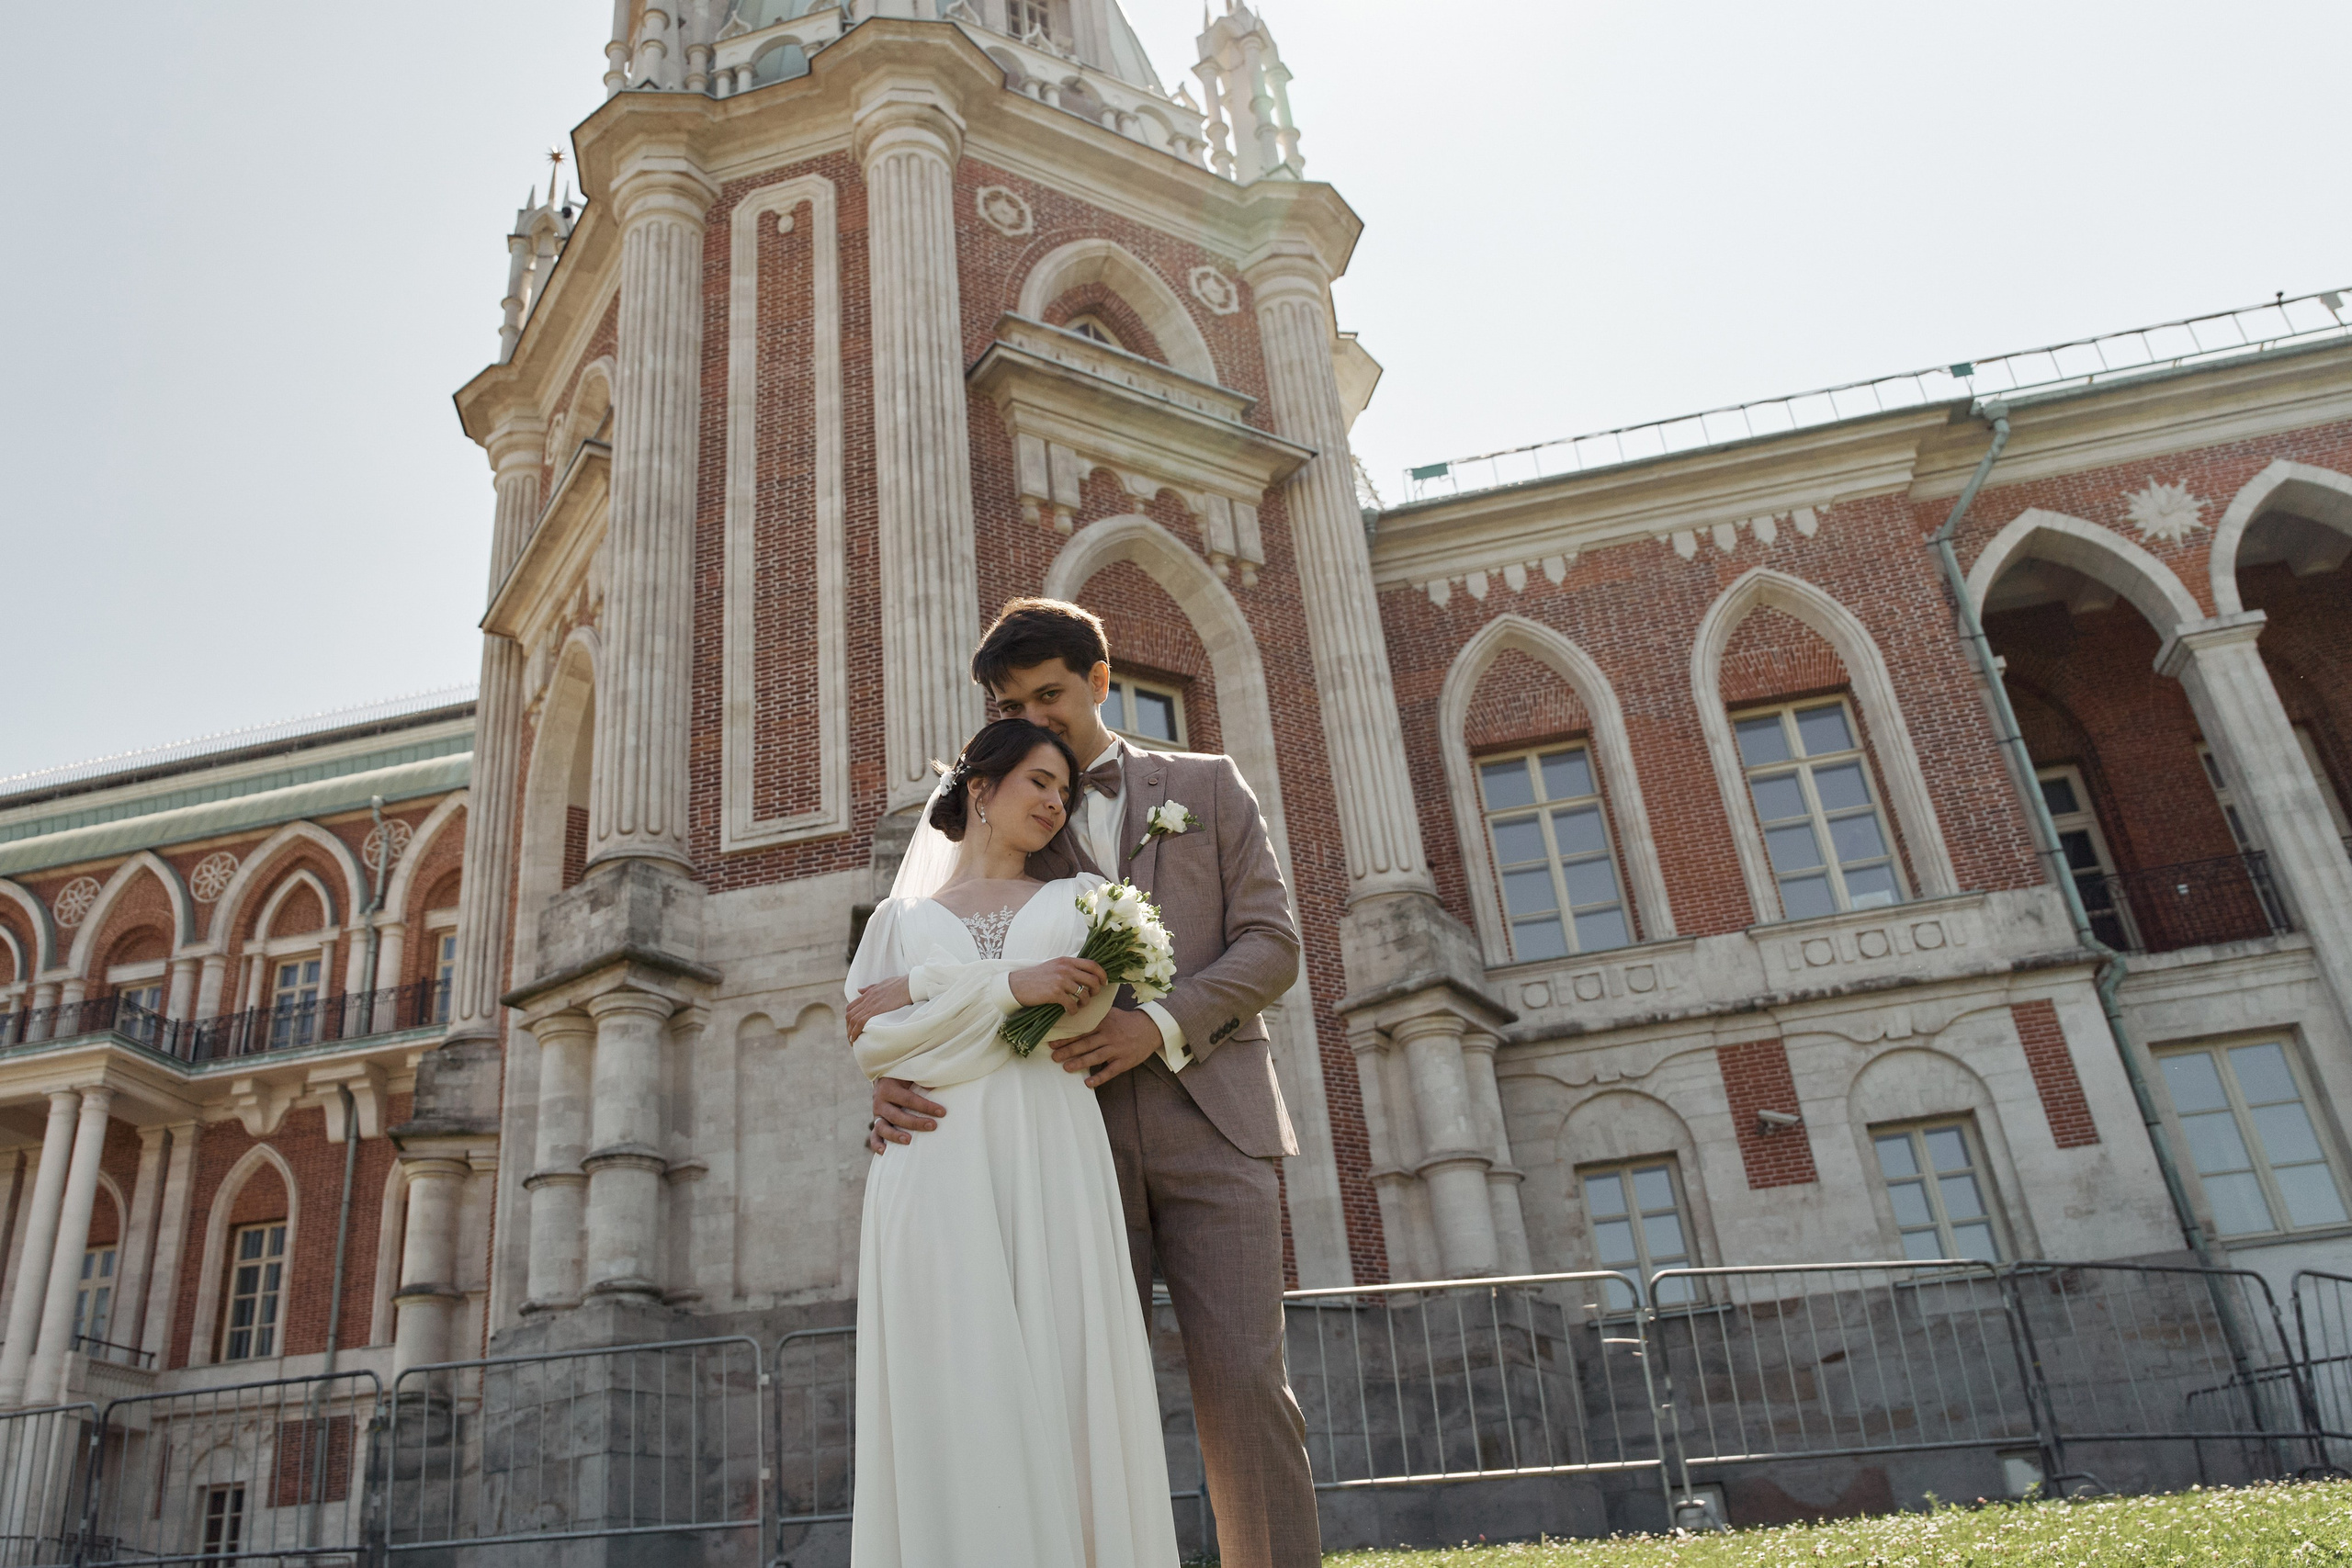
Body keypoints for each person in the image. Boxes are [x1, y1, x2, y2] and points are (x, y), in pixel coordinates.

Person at [868, 599, 1322, 1568]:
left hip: (1216, 1122)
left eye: (1050, 696)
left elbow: (1271, 945)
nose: (1034, 718)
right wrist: (896, 1075)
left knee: (1246, 1382)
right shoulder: (1013, 815)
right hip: (1064, 1141)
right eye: (1011, 707)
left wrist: (1154, 1024)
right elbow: (933, 956)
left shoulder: (1207, 784)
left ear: (1100, 681)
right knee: (1074, 1387)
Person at [845, 716, 1179, 1568]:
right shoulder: (895, 920)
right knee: (954, 1372)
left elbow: (1060, 1024)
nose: (1056, 801)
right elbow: (877, 1044)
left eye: (1065, 790)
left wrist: (928, 997)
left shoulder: (1085, 902)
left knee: (1067, 1363)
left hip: (1052, 1159)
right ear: (981, 789)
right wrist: (1010, 985)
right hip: (931, 1163)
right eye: (1039, 781)